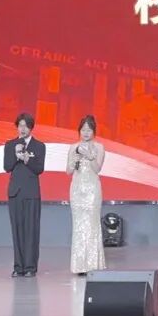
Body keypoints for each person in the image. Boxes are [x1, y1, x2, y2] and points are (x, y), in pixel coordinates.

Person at [3, 113, 46, 277]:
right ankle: (18, 266)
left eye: (26, 126)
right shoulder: (10, 145)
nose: (23, 129)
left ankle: (30, 267)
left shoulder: (39, 146)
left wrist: (27, 159)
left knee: (31, 231)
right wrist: (16, 155)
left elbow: (39, 169)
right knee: (17, 230)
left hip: (31, 193)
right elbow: (7, 167)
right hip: (15, 193)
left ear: (31, 128)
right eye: (20, 125)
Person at [66, 114, 106, 275]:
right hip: (77, 190)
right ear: (79, 131)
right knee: (79, 226)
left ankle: (93, 265)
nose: (86, 133)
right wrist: (74, 161)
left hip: (92, 190)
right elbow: (68, 171)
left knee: (92, 225)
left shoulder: (99, 147)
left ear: (94, 131)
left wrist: (90, 157)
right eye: (83, 130)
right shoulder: (73, 147)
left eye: (89, 130)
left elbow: (97, 169)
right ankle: (79, 266)